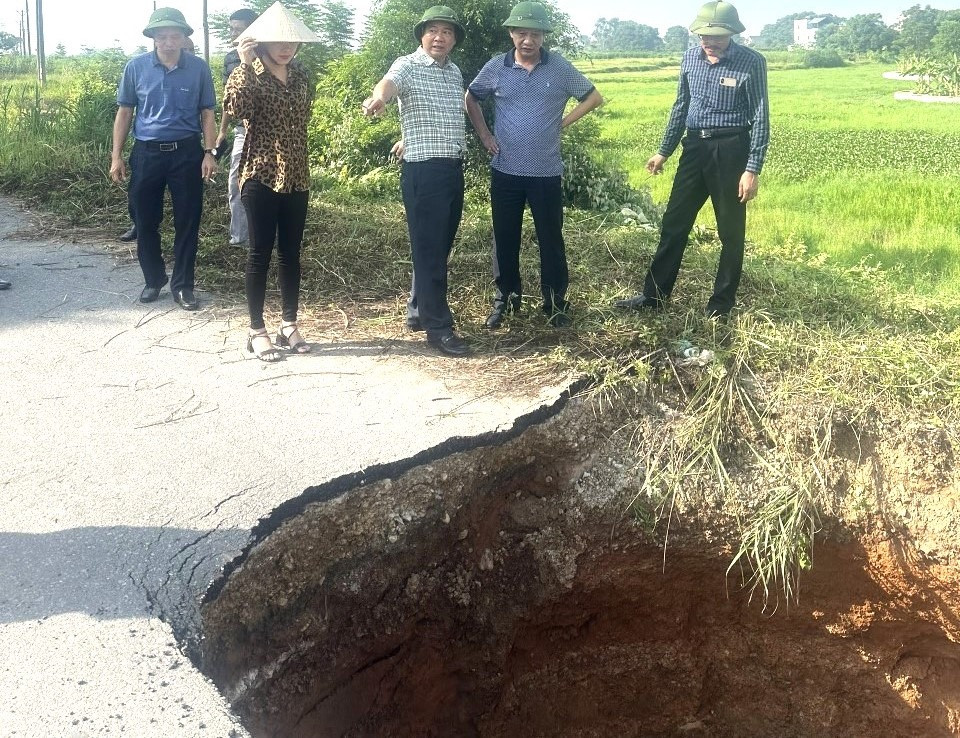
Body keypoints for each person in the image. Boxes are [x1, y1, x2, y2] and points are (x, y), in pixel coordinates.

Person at [615, 0, 768, 320]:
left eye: (716, 36)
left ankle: (721, 305)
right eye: (703, 36)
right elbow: (680, 107)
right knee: (674, 223)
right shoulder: (689, 58)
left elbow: (760, 116)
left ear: (732, 34)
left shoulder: (751, 62)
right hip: (693, 148)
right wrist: (663, 151)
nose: (709, 42)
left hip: (731, 151)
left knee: (730, 231)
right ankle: (653, 296)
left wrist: (752, 168)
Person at [466, 1, 603, 329]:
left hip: (546, 171)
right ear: (512, 34)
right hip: (506, 170)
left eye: (536, 34)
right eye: (522, 33)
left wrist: (563, 122)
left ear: (544, 36)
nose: (528, 40)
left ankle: (555, 303)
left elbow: (593, 97)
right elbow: (471, 97)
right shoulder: (497, 66)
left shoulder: (559, 68)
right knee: (505, 236)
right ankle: (507, 300)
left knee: (551, 238)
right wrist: (485, 134)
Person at [362, 5, 470, 358]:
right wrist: (378, 98)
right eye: (433, 31)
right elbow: (388, 85)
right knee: (429, 251)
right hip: (424, 172)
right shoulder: (406, 64)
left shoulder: (454, 73)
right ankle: (439, 329)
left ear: (454, 39)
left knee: (436, 247)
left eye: (447, 32)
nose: (440, 37)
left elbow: (437, 116)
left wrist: (407, 135)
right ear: (422, 35)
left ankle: (417, 310)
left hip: (452, 168)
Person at [223, 3, 319, 361]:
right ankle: (256, 330)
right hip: (260, 174)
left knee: (291, 254)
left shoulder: (302, 76)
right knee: (260, 253)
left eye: (291, 40)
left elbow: (303, 119)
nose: (285, 47)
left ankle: (289, 324)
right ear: (259, 42)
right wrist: (245, 64)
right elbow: (237, 109)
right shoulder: (246, 72)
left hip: (296, 174)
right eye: (277, 39)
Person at [110, 7, 218, 310]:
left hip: (187, 153)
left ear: (184, 38)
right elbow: (125, 113)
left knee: (188, 220)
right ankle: (153, 279)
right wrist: (116, 156)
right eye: (162, 36)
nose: (169, 42)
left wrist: (209, 153)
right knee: (145, 220)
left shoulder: (198, 68)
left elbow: (207, 113)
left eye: (175, 36)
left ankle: (183, 285)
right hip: (147, 153)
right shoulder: (136, 68)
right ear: (153, 38)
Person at [216, 8, 259, 247]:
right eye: (231, 29)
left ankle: (265, 237)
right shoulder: (231, 58)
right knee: (236, 183)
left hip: (269, 132)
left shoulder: (271, 55)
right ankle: (240, 238)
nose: (233, 34)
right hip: (242, 132)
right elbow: (228, 99)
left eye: (238, 29)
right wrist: (222, 131)